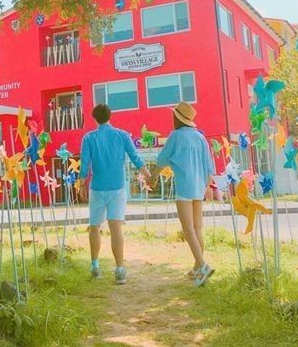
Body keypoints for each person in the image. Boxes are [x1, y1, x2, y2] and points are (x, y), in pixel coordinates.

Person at [78, 104, 151, 284]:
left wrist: (80, 185)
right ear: (110, 116)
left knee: (94, 226)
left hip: (97, 188)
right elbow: (135, 157)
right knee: (115, 227)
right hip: (117, 188)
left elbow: (85, 164)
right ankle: (119, 270)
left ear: (94, 118)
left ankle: (95, 266)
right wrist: (147, 173)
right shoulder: (123, 135)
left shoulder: (88, 138)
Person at [157, 102, 215, 287]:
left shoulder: (176, 136)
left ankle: (203, 266)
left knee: (188, 228)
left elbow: (163, 158)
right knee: (197, 228)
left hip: (184, 186)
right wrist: (207, 185)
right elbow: (209, 165)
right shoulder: (200, 137)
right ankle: (198, 267)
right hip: (199, 186)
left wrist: (152, 178)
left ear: (177, 119)